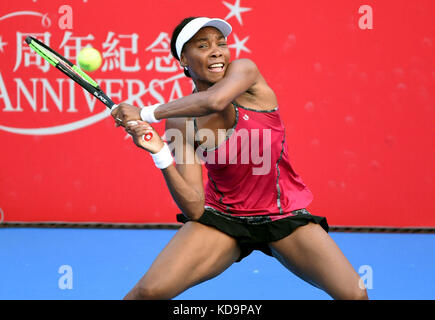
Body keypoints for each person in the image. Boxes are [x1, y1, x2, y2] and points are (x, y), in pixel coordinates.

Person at [112, 17, 368, 300]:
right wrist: (160, 153)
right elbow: (195, 208)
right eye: (203, 45)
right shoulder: (180, 122)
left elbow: (214, 101)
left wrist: (145, 113)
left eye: (221, 43)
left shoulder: (245, 73)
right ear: (183, 57)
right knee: (146, 293)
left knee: (354, 295)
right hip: (225, 218)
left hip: (283, 214)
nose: (217, 50)